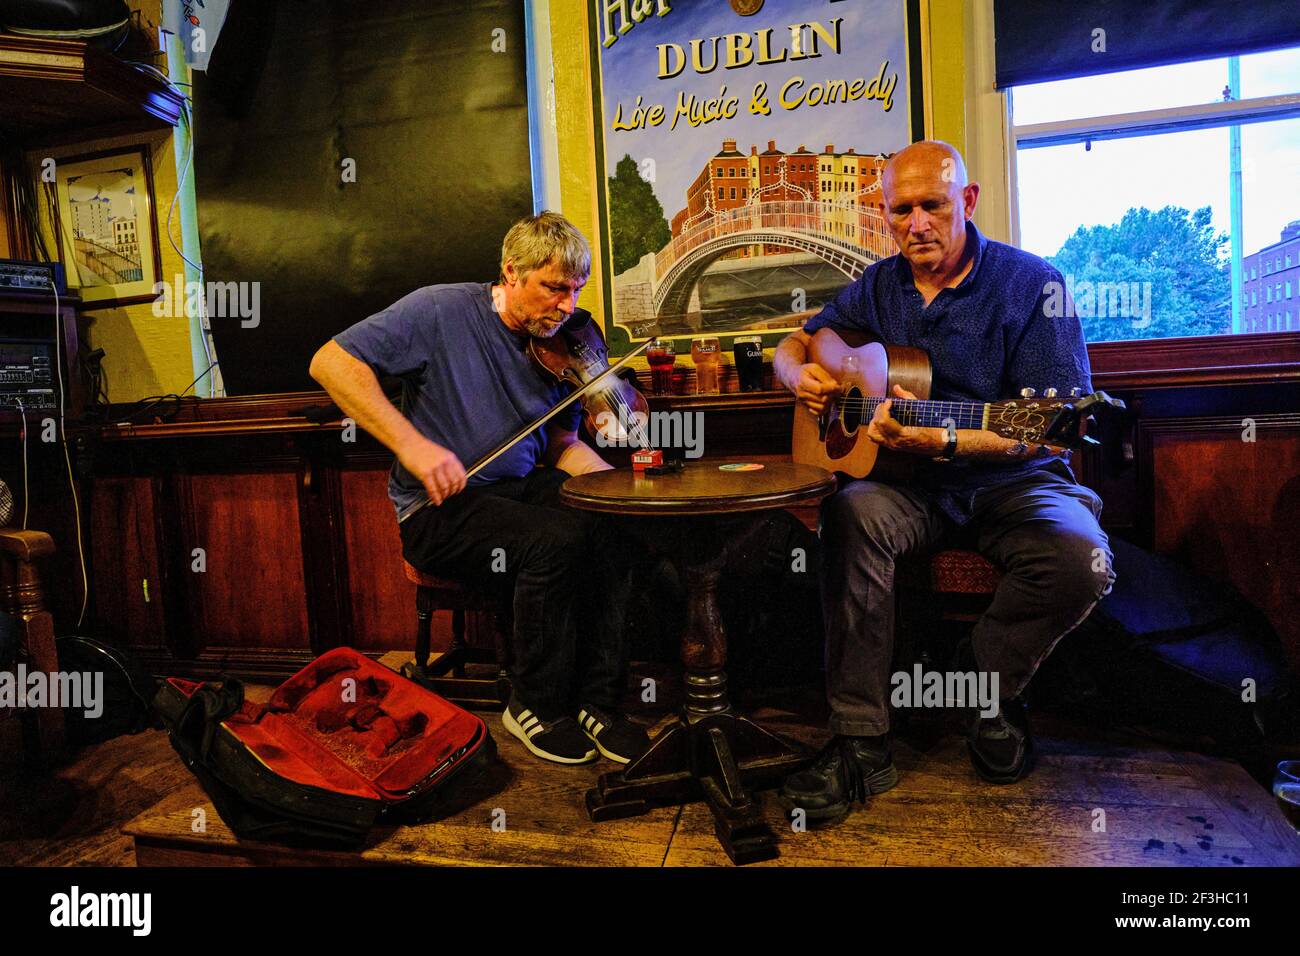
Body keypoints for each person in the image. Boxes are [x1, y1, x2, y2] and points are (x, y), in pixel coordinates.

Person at [772, 140, 1115, 822]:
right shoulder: (878, 284)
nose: (917, 224)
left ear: (969, 200)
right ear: (885, 213)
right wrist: (801, 375)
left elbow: (1045, 426)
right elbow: (802, 340)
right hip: (910, 484)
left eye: (933, 205)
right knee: (850, 517)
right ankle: (861, 741)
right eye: (902, 210)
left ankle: (984, 687)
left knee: (1082, 560)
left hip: (1014, 477)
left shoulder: (1033, 286)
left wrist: (944, 436)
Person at [309, 211, 648, 766]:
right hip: (437, 509)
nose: (567, 307)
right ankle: (532, 703)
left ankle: (598, 702)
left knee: (610, 528)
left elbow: (562, 446)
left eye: (576, 291)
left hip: (518, 489)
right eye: (554, 288)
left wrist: (616, 484)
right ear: (511, 272)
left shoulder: (562, 344)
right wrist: (413, 447)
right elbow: (331, 362)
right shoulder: (438, 310)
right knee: (556, 540)